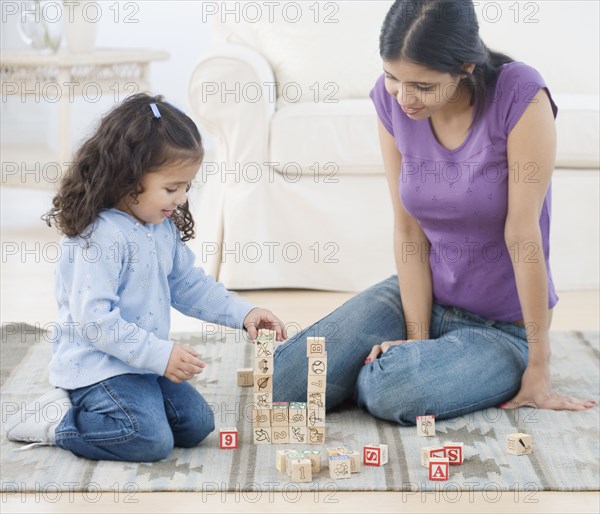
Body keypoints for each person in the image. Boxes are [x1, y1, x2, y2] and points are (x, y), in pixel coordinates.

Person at [272, 0, 595, 422]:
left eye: (422, 86)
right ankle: (403, 363)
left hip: (500, 327)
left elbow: (524, 235)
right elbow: (408, 230)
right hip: (425, 295)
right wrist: (416, 339)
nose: (404, 98)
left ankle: (391, 373)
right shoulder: (391, 102)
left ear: (465, 66)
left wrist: (539, 367)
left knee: (390, 390)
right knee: (286, 380)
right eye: (393, 78)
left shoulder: (520, 94)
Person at [4, 93, 286, 461]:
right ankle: (57, 420)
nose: (182, 199)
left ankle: (123, 408)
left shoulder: (158, 227)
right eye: (172, 188)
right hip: (98, 368)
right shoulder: (98, 237)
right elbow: (95, 323)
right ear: (128, 176)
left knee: (197, 424)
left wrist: (243, 313)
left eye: (187, 187)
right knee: (148, 440)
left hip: (143, 365)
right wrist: (161, 354)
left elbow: (189, 286)